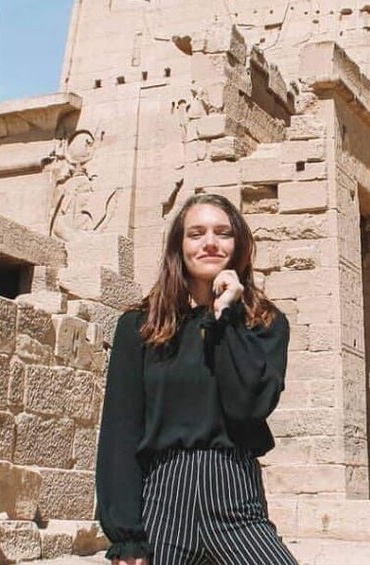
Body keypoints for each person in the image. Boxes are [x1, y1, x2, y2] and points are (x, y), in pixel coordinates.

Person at [95, 194, 298, 565]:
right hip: (163, 502)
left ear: (239, 245)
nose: (210, 242)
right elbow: (120, 431)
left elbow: (249, 406)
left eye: (223, 233)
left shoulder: (264, 325)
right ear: (179, 246)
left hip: (235, 497)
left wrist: (227, 318)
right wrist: (126, 537)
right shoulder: (140, 327)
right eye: (196, 233)